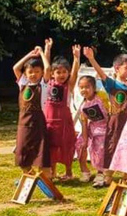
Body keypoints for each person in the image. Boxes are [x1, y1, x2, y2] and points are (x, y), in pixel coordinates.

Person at [83, 47, 127, 184]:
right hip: (115, 123)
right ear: (117, 69)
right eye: (126, 68)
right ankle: (107, 176)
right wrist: (91, 59)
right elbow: (101, 73)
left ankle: (126, 177)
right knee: (112, 148)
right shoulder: (112, 84)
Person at [43, 39, 80, 181]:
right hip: (49, 121)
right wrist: (47, 49)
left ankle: (69, 172)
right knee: (51, 147)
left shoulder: (68, 86)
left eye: (64, 72)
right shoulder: (48, 83)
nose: (62, 75)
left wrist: (76, 58)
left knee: (66, 146)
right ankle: (52, 172)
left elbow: (75, 75)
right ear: (52, 73)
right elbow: (46, 67)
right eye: (58, 72)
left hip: (64, 122)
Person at [12, 46, 51, 175]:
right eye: (30, 72)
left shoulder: (43, 85)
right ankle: (30, 176)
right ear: (26, 73)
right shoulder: (23, 83)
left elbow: (48, 69)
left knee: (41, 153)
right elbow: (16, 68)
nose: (33, 74)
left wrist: (41, 53)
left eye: (37, 71)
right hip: (23, 123)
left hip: (38, 123)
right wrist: (30, 55)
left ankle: (46, 180)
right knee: (22, 152)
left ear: (41, 73)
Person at [76, 75, 108, 187]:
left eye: (87, 87)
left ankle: (101, 172)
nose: (84, 90)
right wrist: (84, 139)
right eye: (81, 87)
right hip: (92, 128)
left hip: (105, 128)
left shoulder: (102, 97)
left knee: (100, 148)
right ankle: (85, 170)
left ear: (94, 88)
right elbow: (84, 123)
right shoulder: (83, 106)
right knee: (79, 144)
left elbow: (110, 112)